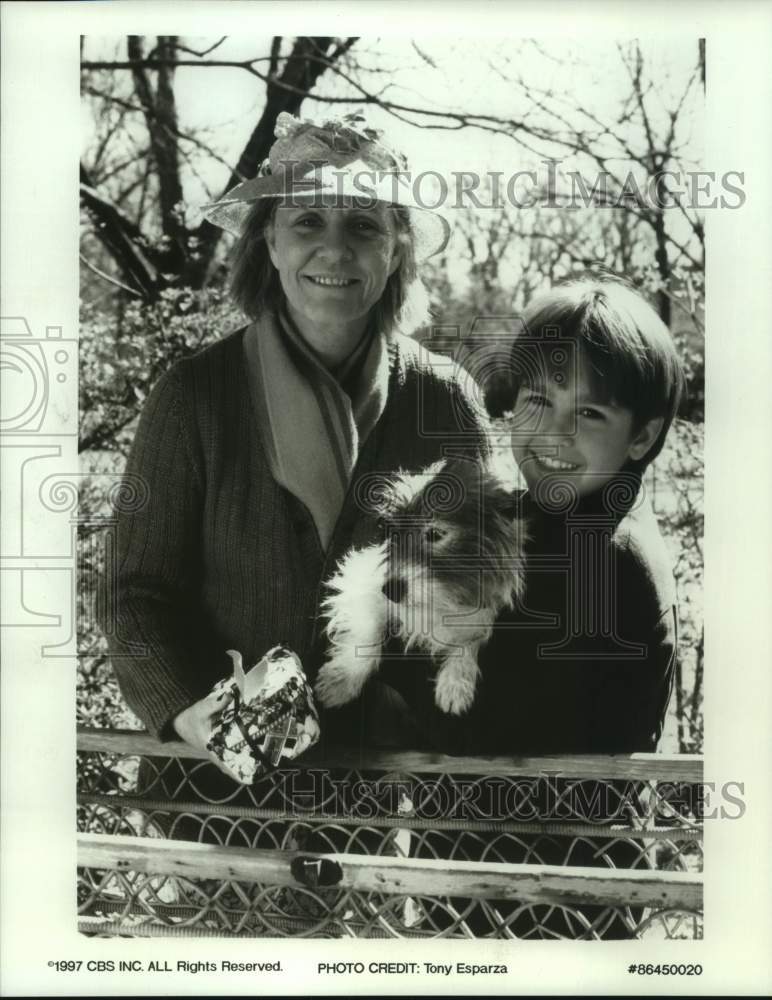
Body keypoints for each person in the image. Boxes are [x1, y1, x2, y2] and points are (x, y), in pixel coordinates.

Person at [99, 111, 490, 761]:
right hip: (214, 797)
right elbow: (135, 596)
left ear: (396, 250)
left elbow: (489, 585)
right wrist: (205, 716)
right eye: (307, 220)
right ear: (269, 243)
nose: (334, 249)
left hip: (377, 795)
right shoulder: (193, 397)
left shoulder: (446, 402)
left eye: (364, 224)